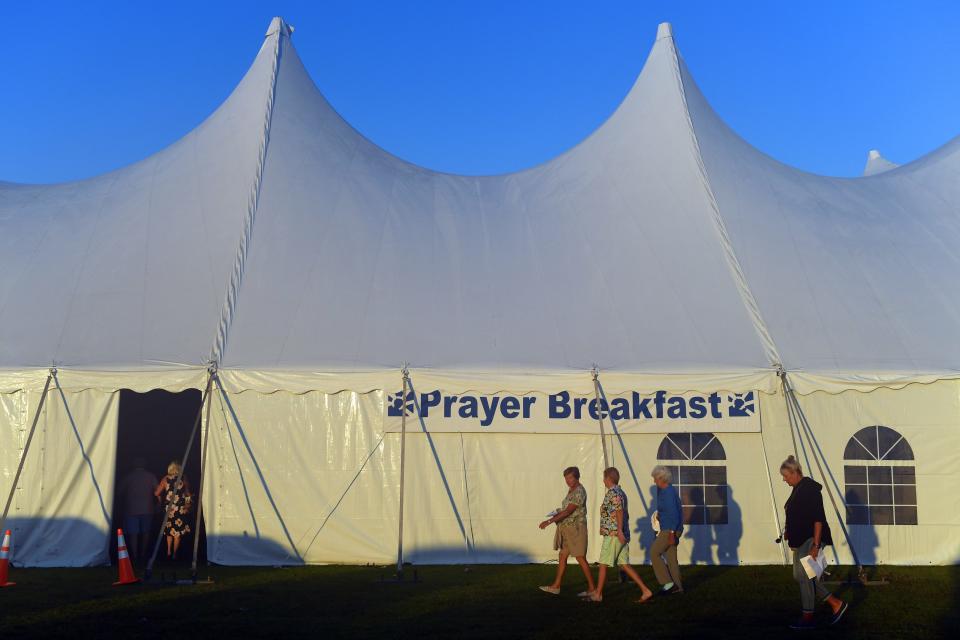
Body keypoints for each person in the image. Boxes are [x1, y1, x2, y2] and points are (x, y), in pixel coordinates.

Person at [780, 456, 848, 629]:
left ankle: (808, 617)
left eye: (786, 476)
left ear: (795, 473)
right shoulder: (798, 488)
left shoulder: (810, 489)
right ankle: (835, 604)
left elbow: (818, 519)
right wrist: (789, 531)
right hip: (801, 539)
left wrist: (816, 546)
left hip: (812, 539)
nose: (784, 479)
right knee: (800, 576)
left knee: (804, 576)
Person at [589, 467, 654, 603]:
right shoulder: (621, 492)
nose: (603, 481)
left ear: (608, 479)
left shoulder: (613, 493)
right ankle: (646, 590)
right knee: (624, 564)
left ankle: (598, 594)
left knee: (603, 564)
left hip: (614, 535)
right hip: (620, 534)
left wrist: (619, 531)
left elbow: (619, 512)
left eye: (604, 478)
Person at [538, 466, 596, 596]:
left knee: (581, 558)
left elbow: (569, 511)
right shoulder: (572, 490)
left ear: (576, 477)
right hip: (568, 529)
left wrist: (549, 521)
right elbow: (566, 509)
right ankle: (556, 586)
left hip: (576, 529)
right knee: (562, 555)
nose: (568, 481)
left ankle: (593, 589)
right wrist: (557, 512)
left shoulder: (579, 491)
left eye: (570, 478)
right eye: (566, 478)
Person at [650, 465, 684, 595]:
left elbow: (674, 514)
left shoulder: (668, 492)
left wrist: (671, 533)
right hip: (671, 527)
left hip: (670, 529)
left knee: (654, 553)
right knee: (671, 558)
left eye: (655, 478)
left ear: (662, 478)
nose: (654, 481)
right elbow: (668, 511)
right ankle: (678, 587)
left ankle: (668, 583)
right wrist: (659, 515)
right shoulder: (666, 491)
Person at [116, 457, 158, 562]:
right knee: (146, 533)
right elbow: (157, 492)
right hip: (147, 509)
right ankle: (143, 554)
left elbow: (119, 492)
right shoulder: (151, 476)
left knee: (133, 534)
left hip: (131, 509)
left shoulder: (128, 477)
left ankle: (134, 555)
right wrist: (158, 505)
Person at [154, 461, 193, 561]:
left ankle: (168, 551)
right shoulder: (183, 478)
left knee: (169, 530)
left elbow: (157, 493)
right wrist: (188, 505)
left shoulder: (165, 478)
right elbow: (188, 493)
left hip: (169, 509)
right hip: (180, 508)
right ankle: (175, 554)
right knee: (178, 532)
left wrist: (160, 501)